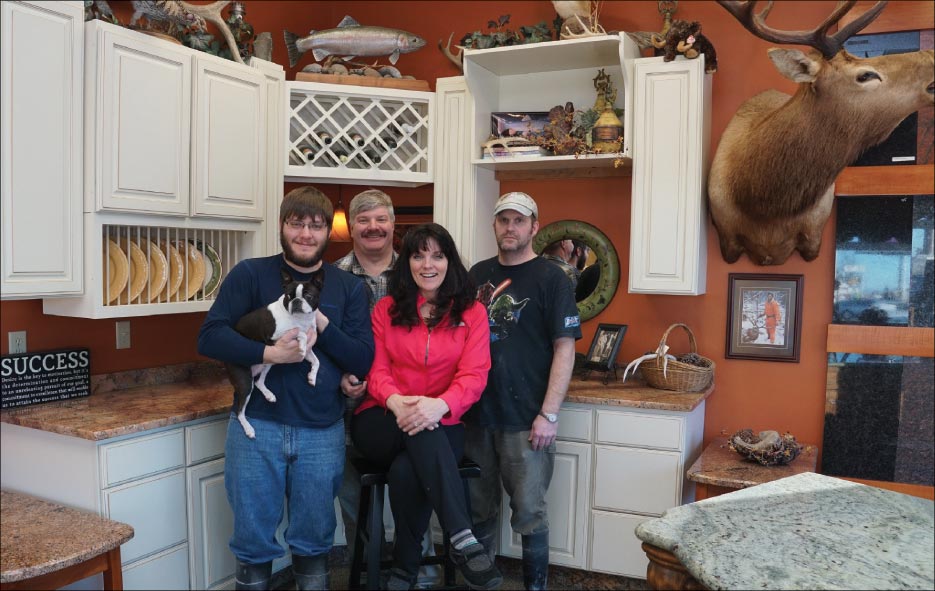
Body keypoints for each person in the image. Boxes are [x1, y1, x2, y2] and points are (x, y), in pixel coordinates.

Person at [198, 186, 375, 591]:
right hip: (257, 429)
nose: (306, 235)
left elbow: (363, 359)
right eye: (297, 224)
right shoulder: (250, 274)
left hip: (321, 431)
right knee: (252, 545)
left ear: (328, 232)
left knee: (313, 545)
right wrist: (269, 354)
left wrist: (323, 328)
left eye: (316, 226)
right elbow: (209, 338)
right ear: (282, 226)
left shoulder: (346, 288)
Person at [351, 223, 503, 591]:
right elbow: (376, 367)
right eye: (418, 255)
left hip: (443, 419)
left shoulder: (473, 313)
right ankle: (462, 535)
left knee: (408, 469)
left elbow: (475, 373)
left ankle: (404, 569)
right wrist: (395, 401)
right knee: (422, 441)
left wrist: (441, 405)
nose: (427, 264)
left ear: (450, 261)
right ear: (408, 263)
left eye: (437, 254)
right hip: (381, 416)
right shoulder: (386, 309)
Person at [466, 192, 582, 591]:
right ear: (495, 225)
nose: (510, 228)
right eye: (503, 220)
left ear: (534, 227)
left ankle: (535, 586)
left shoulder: (553, 278)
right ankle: (481, 584)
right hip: (474, 415)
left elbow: (564, 346)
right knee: (476, 510)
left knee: (530, 511)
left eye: (519, 220)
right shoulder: (476, 274)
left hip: (526, 416)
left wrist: (548, 413)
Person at [335, 189, 441, 589]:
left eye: (381, 219)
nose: (373, 227)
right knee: (355, 506)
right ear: (351, 229)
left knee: (416, 487)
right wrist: (340, 378)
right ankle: (368, 575)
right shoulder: (333, 277)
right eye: (363, 220)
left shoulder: (418, 271)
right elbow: (319, 340)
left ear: (394, 225)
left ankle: (423, 574)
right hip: (348, 412)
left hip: (408, 410)